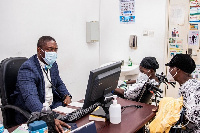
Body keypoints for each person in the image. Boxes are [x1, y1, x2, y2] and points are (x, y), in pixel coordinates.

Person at [12, 36, 72, 132]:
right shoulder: (28, 68)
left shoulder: (52, 64)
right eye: (50, 49)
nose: (53, 53)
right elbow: (31, 98)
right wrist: (49, 119)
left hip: (52, 108)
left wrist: (66, 95)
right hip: (33, 113)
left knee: (74, 121)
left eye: (55, 50)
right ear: (39, 50)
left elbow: (58, 83)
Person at [165, 54, 200, 132]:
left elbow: (193, 117)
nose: (169, 70)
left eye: (171, 67)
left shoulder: (193, 89)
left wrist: (172, 112)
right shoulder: (186, 86)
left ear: (177, 70)